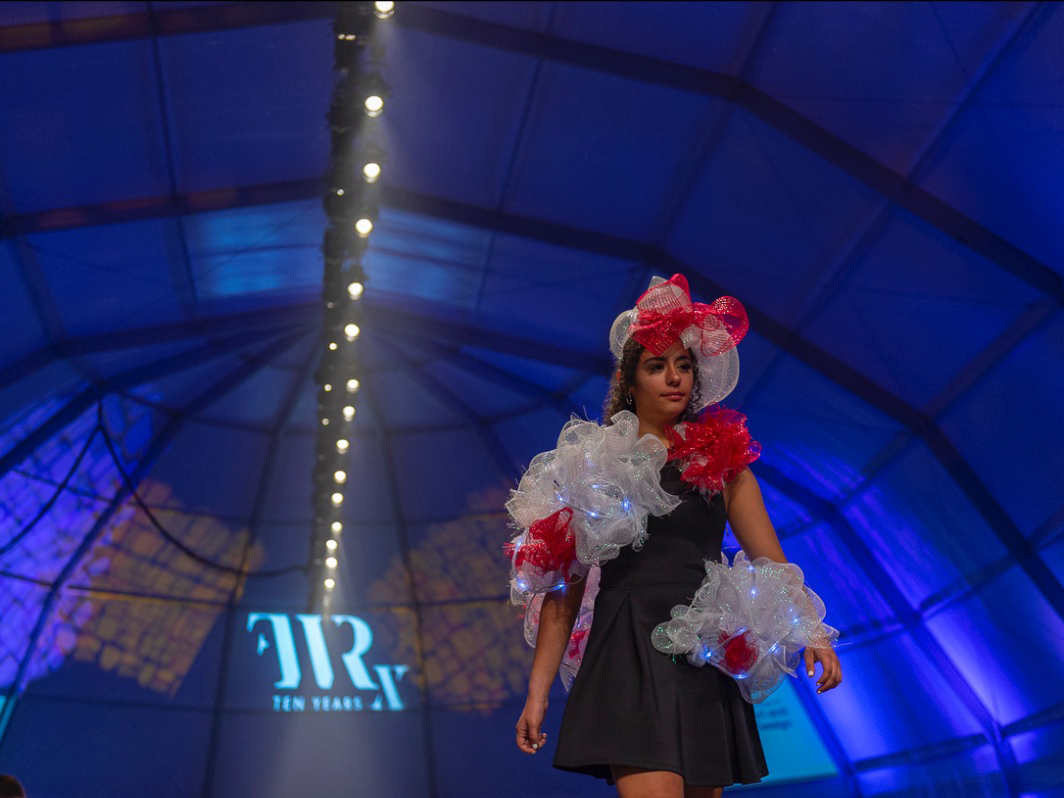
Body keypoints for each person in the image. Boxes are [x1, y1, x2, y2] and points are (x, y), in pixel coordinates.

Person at [508, 274, 842, 798]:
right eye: (656, 366)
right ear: (630, 380)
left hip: (700, 654)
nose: (673, 378)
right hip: (625, 651)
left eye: (683, 366)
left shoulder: (725, 463)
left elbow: (770, 560)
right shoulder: (593, 465)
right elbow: (564, 590)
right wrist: (537, 692)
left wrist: (813, 633)